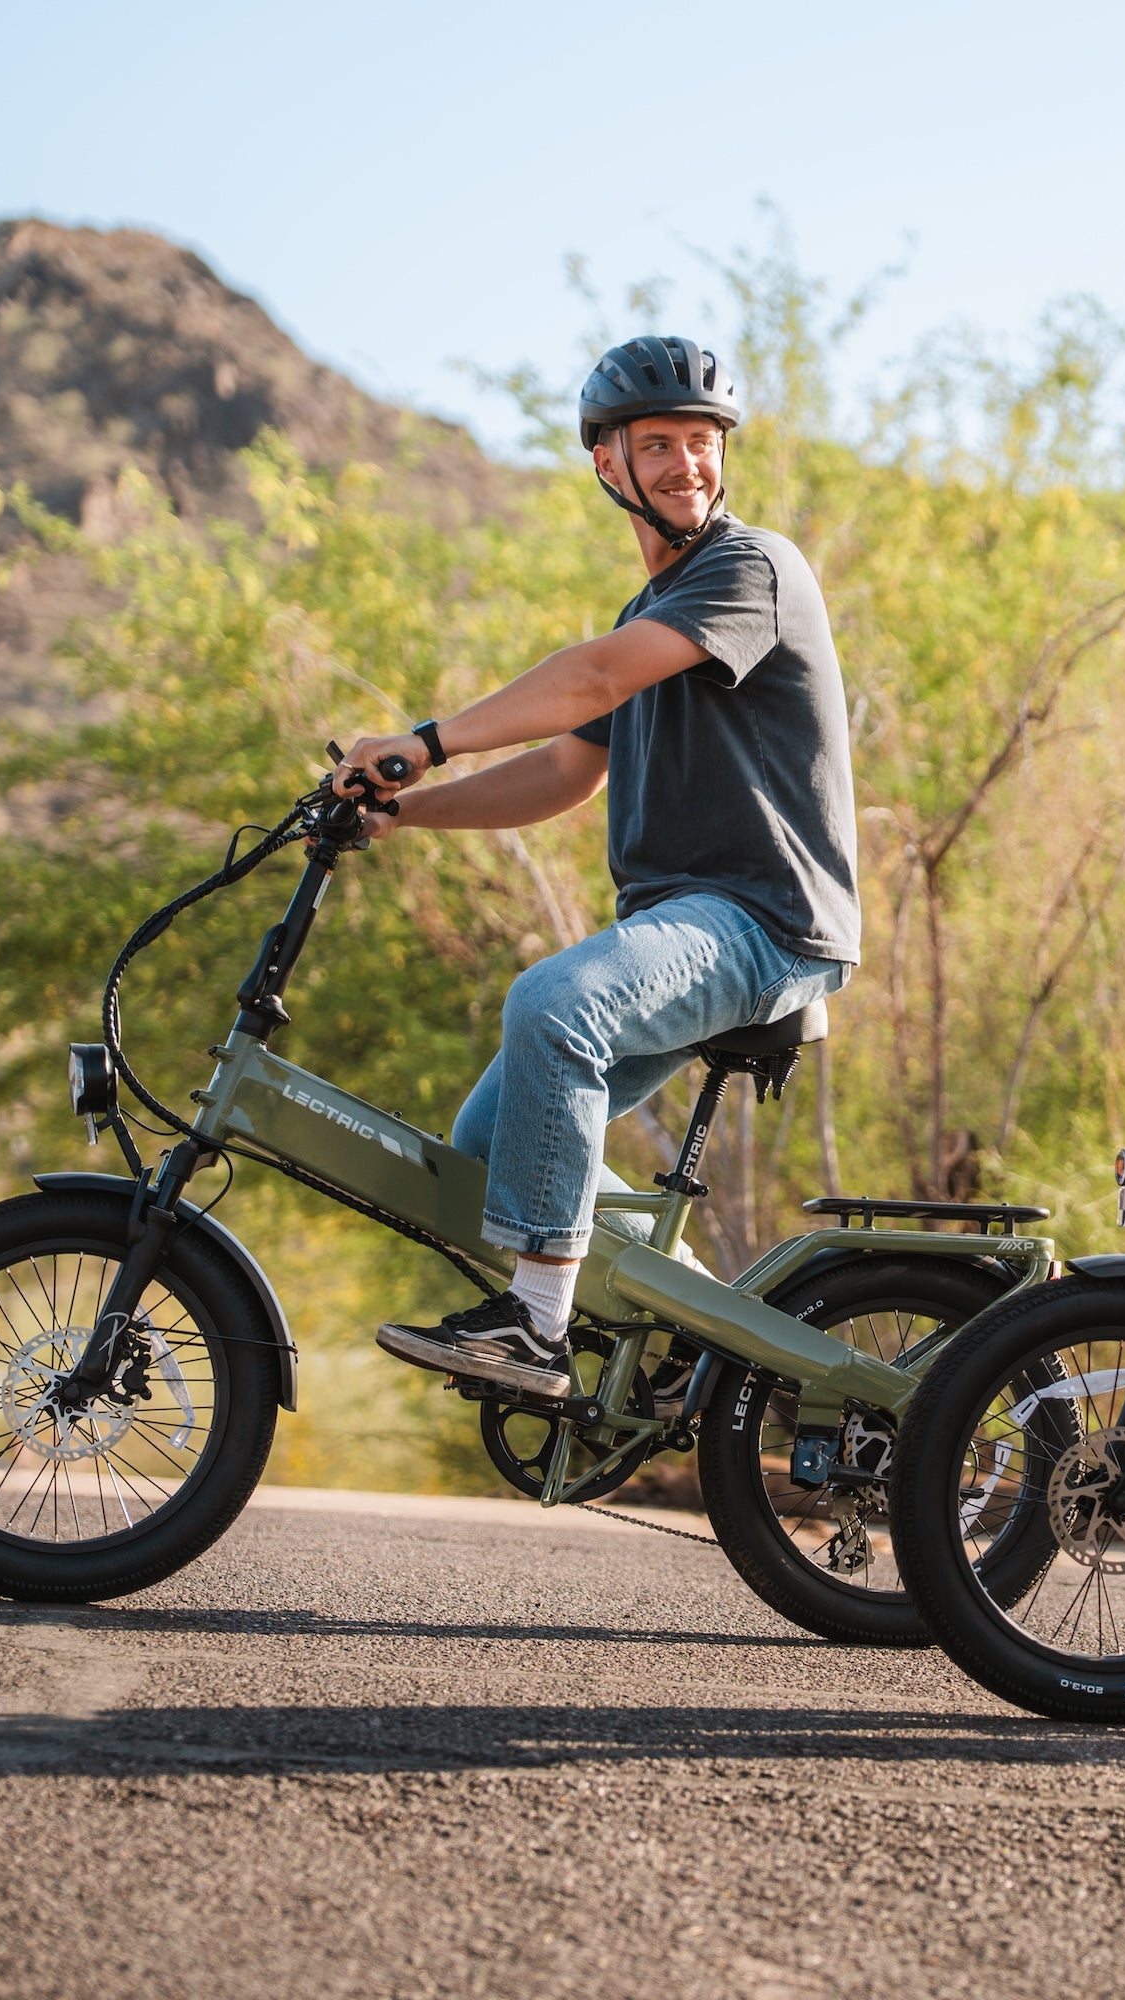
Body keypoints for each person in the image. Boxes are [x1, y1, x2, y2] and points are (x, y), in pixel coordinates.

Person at [333, 335, 861, 1397]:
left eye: (703, 443)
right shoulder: (654, 615)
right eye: (658, 443)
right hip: (691, 928)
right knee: (490, 1146)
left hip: (763, 923)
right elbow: (565, 772)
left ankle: (536, 1323)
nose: (686, 465)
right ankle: (703, 1334)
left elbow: (592, 681)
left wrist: (425, 738)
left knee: (554, 1006)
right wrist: (408, 810)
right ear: (606, 465)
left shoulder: (751, 569)